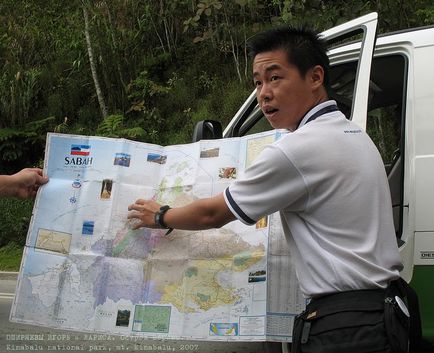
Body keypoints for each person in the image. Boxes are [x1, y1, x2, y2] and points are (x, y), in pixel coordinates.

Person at [128, 27, 420, 352]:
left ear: (315, 77)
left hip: (347, 328)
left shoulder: (298, 149)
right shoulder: (355, 135)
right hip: (386, 313)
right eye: (257, 82)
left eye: (275, 78)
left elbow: (214, 213)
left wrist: (162, 215)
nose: (264, 93)